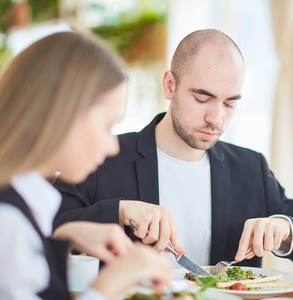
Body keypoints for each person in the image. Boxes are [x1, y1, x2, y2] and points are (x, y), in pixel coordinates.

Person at [54, 29, 293, 274]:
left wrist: (286, 230)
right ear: (170, 85)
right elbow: (37, 234)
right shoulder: (103, 157)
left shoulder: (250, 168)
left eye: (230, 103)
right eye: (202, 98)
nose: (216, 119)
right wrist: (118, 211)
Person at [0, 31, 172, 300]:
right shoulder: (8, 222)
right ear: (61, 114)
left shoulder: (26, 204)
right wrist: (110, 283)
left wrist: (64, 239)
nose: (113, 146)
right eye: (106, 126)